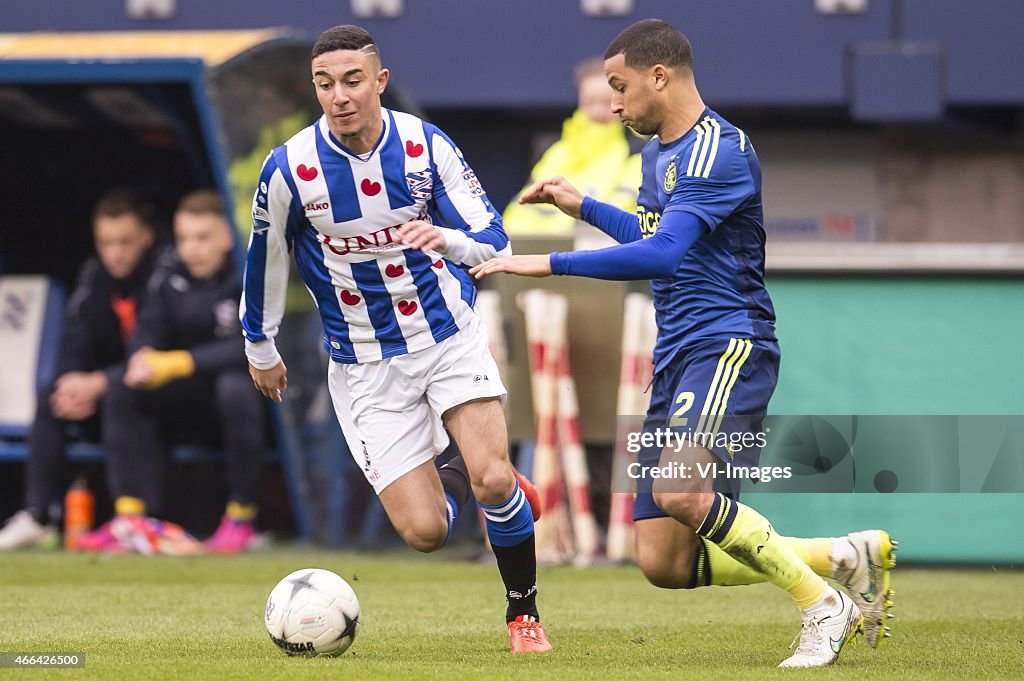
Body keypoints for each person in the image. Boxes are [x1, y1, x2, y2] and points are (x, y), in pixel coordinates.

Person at [471, 20, 896, 668]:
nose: (613, 103)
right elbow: (652, 228)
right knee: (662, 559)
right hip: (675, 356)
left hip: (727, 344)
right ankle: (843, 557)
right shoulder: (656, 156)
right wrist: (582, 204)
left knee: (680, 490)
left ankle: (822, 603)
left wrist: (547, 262)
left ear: (659, 77)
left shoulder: (719, 149)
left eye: (620, 87)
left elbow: (665, 253)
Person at [241, 25, 551, 653]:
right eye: (326, 84)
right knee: (426, 532)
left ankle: (523, 615)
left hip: (445, 333)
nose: (340, 96)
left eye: (353, 80)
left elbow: (494, 240)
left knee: (493, 479)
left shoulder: (425, 147)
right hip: (362, 363)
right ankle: (478, 477)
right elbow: (265, 257)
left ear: (379, 81)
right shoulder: (290, 170)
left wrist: (448, 240)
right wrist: (260, 344)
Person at [80, 189, 266, 555]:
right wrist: (141, 359)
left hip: (239, 405)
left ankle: (242, 518)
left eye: (202, 238)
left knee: (235, 386)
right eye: (184, 238)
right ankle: (130, 519)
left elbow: (252, 343)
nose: (191, 248)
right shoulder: (166, 276)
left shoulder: (249, 274)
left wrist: (181, 362)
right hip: (185, 399)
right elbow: (146, 333)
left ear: (227, 237)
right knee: (123, 389)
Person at [0, 190, 157, 551]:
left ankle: (128, 520)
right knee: (49, 394)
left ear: (146, 238)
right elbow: (74, 339)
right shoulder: (93, 276)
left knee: (122, 393)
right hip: (101, 393)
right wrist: (72, 383)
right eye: (106, 242)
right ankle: (38, 516)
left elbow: (156, 353)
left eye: (124, 242)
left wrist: (101, 382)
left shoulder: (164, 277)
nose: (114, 252)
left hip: (154, 396)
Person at [502, 57, 640, 240]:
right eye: (590, 102)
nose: (598, 111)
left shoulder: (640, 152)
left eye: (607, 102)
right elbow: (515, 219)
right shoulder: (555, 152)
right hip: (547, 258)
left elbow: (628, 218)